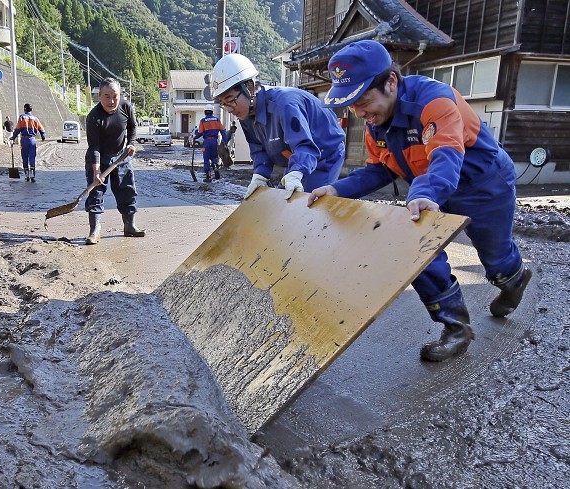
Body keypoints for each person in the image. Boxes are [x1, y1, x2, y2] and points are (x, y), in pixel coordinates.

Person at [308, 40, 532, 362]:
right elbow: (379, 170)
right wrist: (337, 189)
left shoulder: (435, 101)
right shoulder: (376, 125)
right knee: (418, 249)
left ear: (391, 82)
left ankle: (513, 278)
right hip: (429, 191)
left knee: (495, 260)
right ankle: (456, 329)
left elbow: (445, 155)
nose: (360, 113)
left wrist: (425, 193)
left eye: (364, 100)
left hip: (482, 184)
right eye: (351, 105)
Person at [211, 53, 346, 200]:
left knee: (310, 202)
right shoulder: (245, 114)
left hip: (324, 152)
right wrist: (260, 175)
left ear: (249, 88)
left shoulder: (284, 105)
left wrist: (296, 172)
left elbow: (305, 145)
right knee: (283, 200)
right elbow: (258, 149)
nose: (229, 109)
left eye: (231, 100)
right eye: (223, 104)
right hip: (296, 155)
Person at [83, 77, 145, 245]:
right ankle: (94, 231)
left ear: (120, 95)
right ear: (99, 96)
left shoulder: (126, 107)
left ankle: (130, 226)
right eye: (107, 96)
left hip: (120, 157)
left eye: (115, 96)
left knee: (127, 190)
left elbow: (132, 126)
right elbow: (94, 146)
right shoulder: (93, 117)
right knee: (95, 193)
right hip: (98, 158)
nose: (111, 101)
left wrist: (131, 144)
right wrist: (96, 171)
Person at [10, 103, 46, 182]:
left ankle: (27, 176)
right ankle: (33, 175)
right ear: (31, 110)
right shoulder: (35, 119)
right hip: (32, 140)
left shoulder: (22, 117)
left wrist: (13, 137)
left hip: (24, 140)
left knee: (25, 157)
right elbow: (42, 129)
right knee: (32, 157)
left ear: (25, 109)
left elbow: (18, 129)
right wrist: (43, 137)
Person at [192, 104, 228, 182]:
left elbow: (200, 132)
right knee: (214, 157)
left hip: (207, 142)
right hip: (214, 141)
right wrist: (225, 142)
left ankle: (208, 176)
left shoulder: (203, 121)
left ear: (205, 112)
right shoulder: (217, 120)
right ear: (212, 111)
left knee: (206, 158)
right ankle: (215, 166)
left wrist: (195, 138)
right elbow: (223, 132)